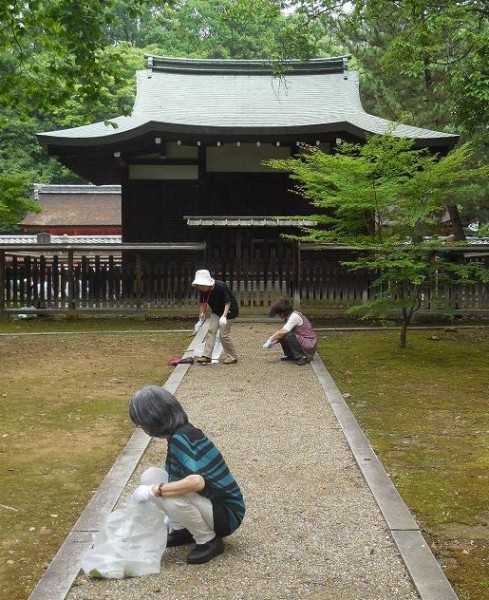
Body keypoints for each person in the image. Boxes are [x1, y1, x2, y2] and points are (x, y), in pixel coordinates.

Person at [129, 385, 245, 564]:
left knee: (170, 495)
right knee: (150, 475)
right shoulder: (180, 434)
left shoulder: (181, 438)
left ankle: (208, 540)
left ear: (152, 420)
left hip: (227, 515)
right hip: (213, 503)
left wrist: (155, 491)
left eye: (140, 423)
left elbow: (196, 482)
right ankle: (181, 529)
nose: (142, 428)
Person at [192, 269, 239, 365]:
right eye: (199, 286)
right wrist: (201, 317)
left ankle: (232, 357)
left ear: (207, 284)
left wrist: (224, 316)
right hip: (216, 311)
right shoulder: (202, 289)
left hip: (229, 311)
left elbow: (227, 302)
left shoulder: (221, 286)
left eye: (201, 285)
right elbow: (203, 303)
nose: (200, 288)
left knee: (223, 335)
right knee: (211, 330)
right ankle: (206, 356)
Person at [263, 297, 317, 366]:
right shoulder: (290, 317)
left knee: (288, 335)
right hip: (304, 342)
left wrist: (270, 340)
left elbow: (282, 332)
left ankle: (302, 356)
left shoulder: (294, 316)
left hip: (309, 344)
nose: (278, 316)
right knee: (284, 335)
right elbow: (282, 335)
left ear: (282, 312)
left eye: (278, 314)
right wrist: (272, 343)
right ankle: (291, 355)